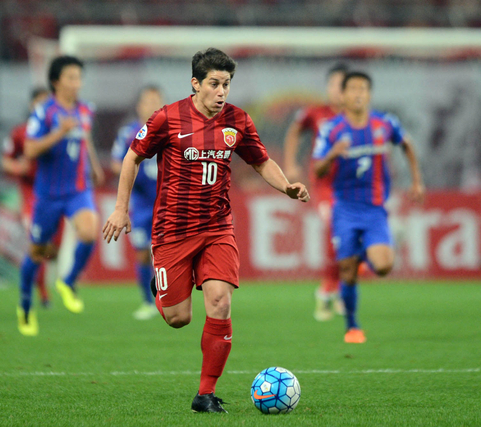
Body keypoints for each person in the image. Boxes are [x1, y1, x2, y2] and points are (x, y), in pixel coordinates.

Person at [102, 48, 310, 413]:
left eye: (226, 84)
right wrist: (120, 208)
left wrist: (287, 186)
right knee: (178, 318)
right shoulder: (167, 118)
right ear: (196, 83)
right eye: (214, 83)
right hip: (172, 231)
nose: (221, 92)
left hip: (217, 227)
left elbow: (261, 162)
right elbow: (133, 156)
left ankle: (205, 394)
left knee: (220, 300)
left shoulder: (238, 121)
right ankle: (161, 289)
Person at [313, 71, 424, 344]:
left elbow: (407, 145)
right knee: (347, 273)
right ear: (343, 95)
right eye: (352, 89)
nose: (358, 94)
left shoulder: (384, 123)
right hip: (344, 209)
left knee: (384, 267)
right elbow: (318, 170)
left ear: (369, 94)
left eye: (363, 88)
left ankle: (361, 252)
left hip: (374, 209)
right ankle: (352, 326)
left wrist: (417, 181)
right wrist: (332, 154)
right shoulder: (332, 129)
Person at [17, 55, 105, 336]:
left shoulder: (85, 110)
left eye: (79, 77)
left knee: (90, 232)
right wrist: (58, 133)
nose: (76, 83)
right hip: (48, 195)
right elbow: (29, 150)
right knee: (37, 252)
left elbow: (85, 138)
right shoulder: (44, 112)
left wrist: (93, 164)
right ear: (56, 82)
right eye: (70, 77)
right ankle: (26, 306)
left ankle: (67, 281)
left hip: (78, 189)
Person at [283, 63, 348, 322]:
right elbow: (294, 130)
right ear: (328, 87)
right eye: (335, 85)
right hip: (325, 187)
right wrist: (290, 163)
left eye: (344, 86)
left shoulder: (357, 118)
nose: (339, 91)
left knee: (351, 239)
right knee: (337, 232)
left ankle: (333, 289)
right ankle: (331, 290)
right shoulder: (316, 113)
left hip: (352, 188)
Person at [111, 86, 164, 320]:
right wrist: (134, 170)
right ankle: (147, 301)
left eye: (156, 100)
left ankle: (170, 298)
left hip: (169, 203)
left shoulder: (172, 130)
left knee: (169, 253)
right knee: (143, 253)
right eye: (148, 101)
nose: (152, 104)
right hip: (142, 203)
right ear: (139, 106)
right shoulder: (128, 133)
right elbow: (115, 163)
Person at [2, 87, 54, 308]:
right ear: (31, 105)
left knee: (52, 248)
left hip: (56, 194)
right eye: (39, 103)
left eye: (46, 103)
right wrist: (17, 167)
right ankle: (41, 293)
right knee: (37, 242)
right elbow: (5, 161)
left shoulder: (57, 131)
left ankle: (39, 285)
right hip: (31, 194)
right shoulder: (19, 133)